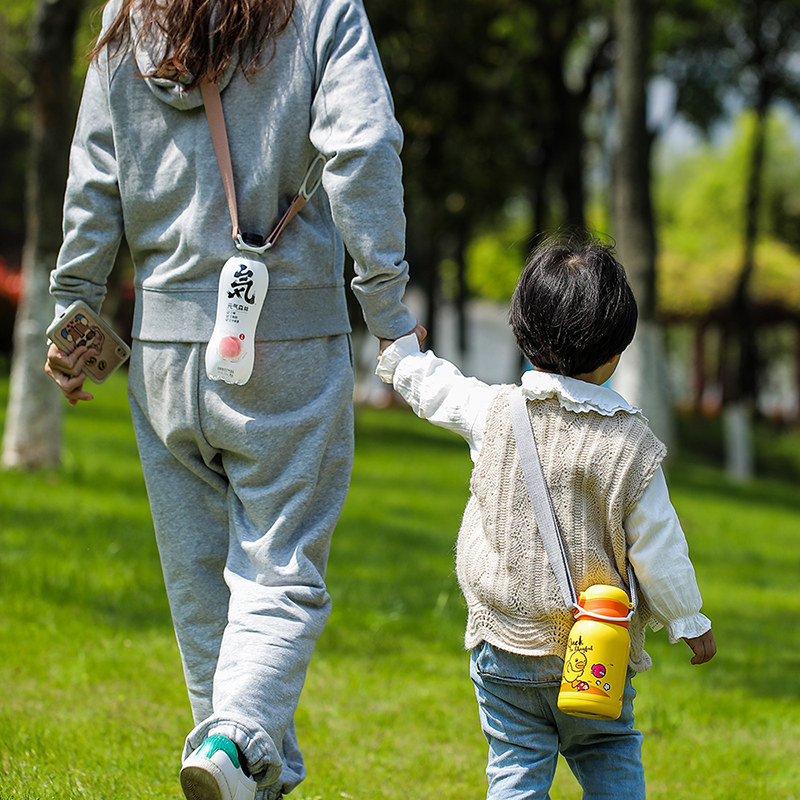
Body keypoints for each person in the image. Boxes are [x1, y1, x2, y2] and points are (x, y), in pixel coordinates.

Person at [44, 1, 424, 799]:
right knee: (279, 577)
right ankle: (238, 743)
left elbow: (94, 173)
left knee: (204, 609)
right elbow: (362, 149)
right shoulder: (322, 10)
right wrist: (390, 317)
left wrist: (74, 310)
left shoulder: (127, 14)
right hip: (284, 341)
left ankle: (231, 765)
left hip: (163, 351)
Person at [376, 234, 716, 800]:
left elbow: (439, 391)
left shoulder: (496, 411)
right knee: (606, 750)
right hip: (594, 649)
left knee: (515, 763)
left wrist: (401, 357)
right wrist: (688, 619)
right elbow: (660, 544)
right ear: (616, 350)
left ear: (523, 335)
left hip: (504, 642)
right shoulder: (632, 444)